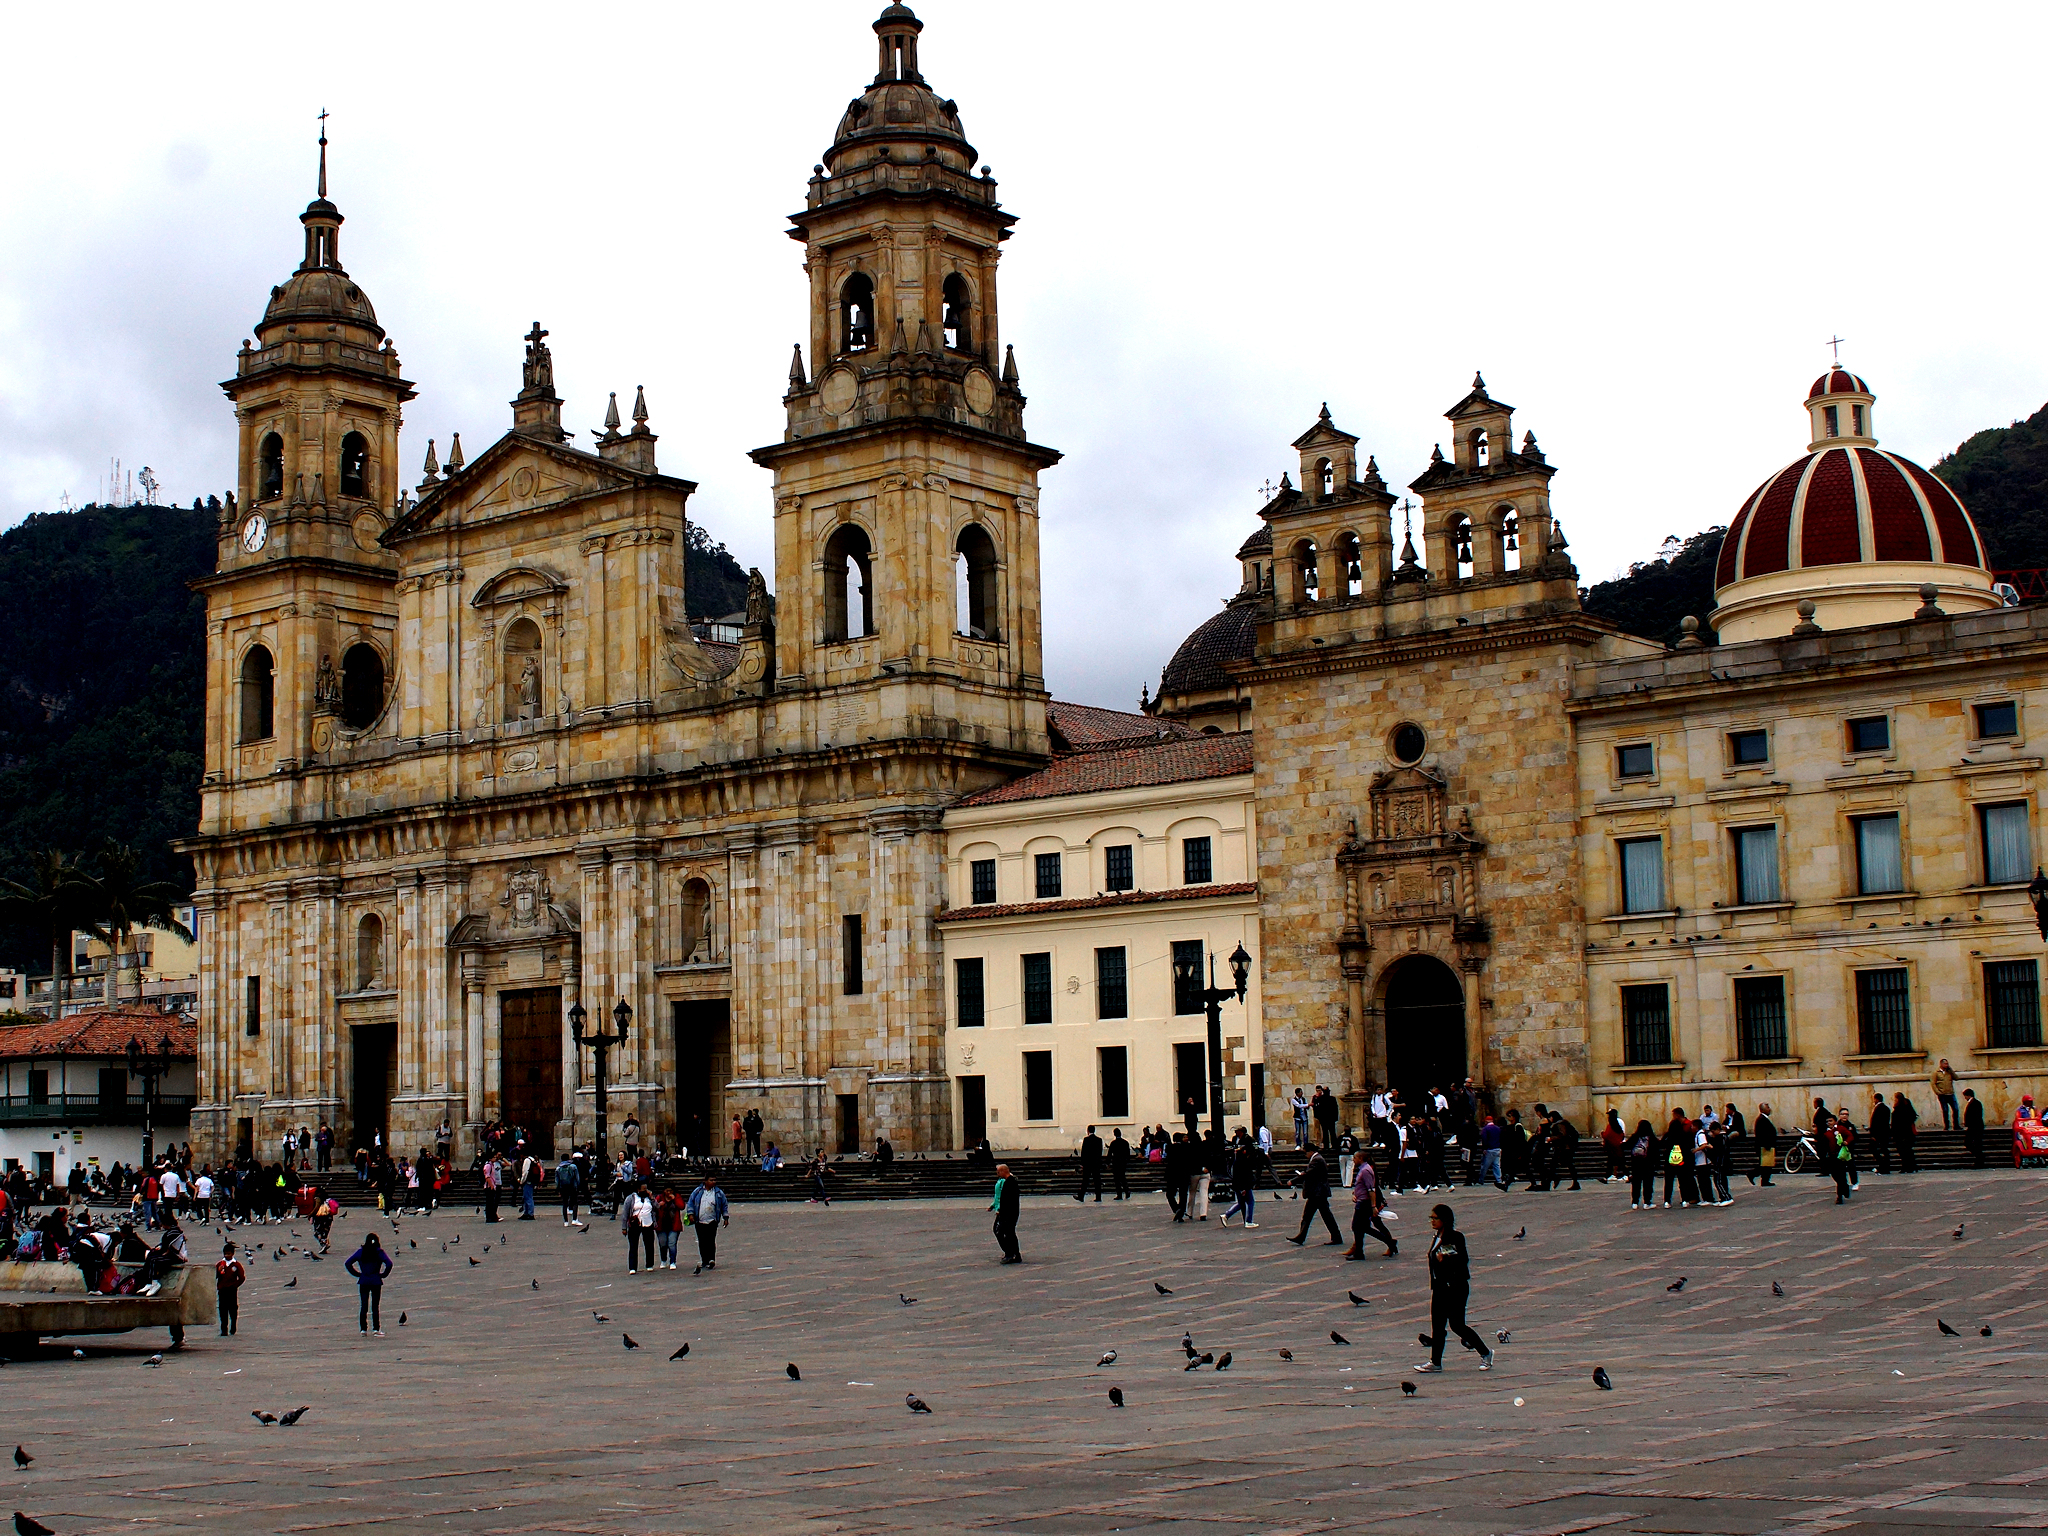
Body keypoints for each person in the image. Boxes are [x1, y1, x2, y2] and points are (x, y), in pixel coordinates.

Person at [1416, 1203, 1493, 1373]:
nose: (1432, 1221)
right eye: (1431, 1218)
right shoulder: (1437, 1237)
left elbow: (1462, 1259)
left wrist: (1445, 1261)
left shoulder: (1455, 1237)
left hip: (1455, 1286)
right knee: (1437, 1325)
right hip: (1439, 1287)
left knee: (1457, 1325)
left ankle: (1485, 1353)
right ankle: (1435, 1362)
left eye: (1435, 1218)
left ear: (1444, 1219)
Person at [1342, 1150, 1396, 1258]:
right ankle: (1359, 1251)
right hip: (1362, 1201)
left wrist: (1373, 1206)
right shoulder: (1363, 1169)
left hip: (1364, 1203)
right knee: (1363, 1228)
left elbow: (1371, 1189)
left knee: (1358, 1227)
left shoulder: (1366, 1170)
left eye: (1355, 1158)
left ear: (1361, 1159)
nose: (1353, 1160)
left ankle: (1388, 1242)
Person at [1287, 1146, 1343, 1246]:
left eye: (1306, 1153)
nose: (1305, 1155)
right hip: (1318, 1193)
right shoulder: (1317, 1159)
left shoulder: (1317, 1160)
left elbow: (1308, 1174)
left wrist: (1293, 1181)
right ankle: (1302, 1236)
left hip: (1317, 1193)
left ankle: (1335, 1237)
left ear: (1311, 1151)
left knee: (1313, 1216)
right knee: (1320, 1216)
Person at [345, 1231, 393, 1336]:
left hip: (364, 1280)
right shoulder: (379, 1252)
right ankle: (376, 1329)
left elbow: (348, 1263)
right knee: (375, 1306)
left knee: (364, 1305)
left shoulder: (361, 1251)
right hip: (376, 1280)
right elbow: (389, 1263)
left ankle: (363, 1329)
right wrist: (383, 1274)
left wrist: (357, 1274)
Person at [686, 1171, 729, 1274]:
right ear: (705, 1181)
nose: (713, 1182)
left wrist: (725, 1217)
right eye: (711, 1180)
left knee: (711, 1239)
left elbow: (724, 1205)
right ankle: (704, 1259)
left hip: (712, 1220)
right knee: (702, 1240)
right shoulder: (697, 1191)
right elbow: (691, 1202)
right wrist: (691, 1214)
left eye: (714, 1180)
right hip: (699, 1220)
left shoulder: (718, 1193)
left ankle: (711, 1259)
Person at [1222, 1135, 1259, 1228]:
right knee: (1250, 1201)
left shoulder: (1237, 1161)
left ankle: (1227, 1215)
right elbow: (1244, 1176)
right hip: (1243, 1185)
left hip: (1238, 1185)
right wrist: (1244, 1188)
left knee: (1241, 1203)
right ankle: (1249, 1221)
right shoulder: (1244, 1162)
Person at [620, 1182, 657, 1273]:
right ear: (638, 1189)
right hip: (635, 1224)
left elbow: (657, 1207)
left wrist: (652, 1198)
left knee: (649, 1245)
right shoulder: (630, 1199)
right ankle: (632, 1267)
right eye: (643, 1189)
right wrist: (624, 1227)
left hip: (648, 1223)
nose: (645, 1191)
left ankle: (649, 1264)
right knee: (633, 1246)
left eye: (646, 1189)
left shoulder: (649, 1198)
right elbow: (625, 1214)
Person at [989, 1162, 1021, 1263]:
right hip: (1009, 1212)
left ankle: (1010, 1253)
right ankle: (1014, 1254)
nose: (997, 1174)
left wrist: (1001, 1211)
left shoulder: (1010, 1183)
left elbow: (1008, 1200)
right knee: (1008, 1233)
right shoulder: (1009, 1181)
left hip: (1008, 1213)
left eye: (998, 1172)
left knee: (1003, 1232)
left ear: (1004, 1171)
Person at [1625, 1119, 1657, 1209]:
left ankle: (1635, 1202)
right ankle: (1647, 1202)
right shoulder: (1651, 1138)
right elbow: (1656, 1150)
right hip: (1648, 1164)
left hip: (1636, 1163)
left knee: (1636, 1183)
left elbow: (1627, 1145)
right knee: (1648, 1183)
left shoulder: (1635, 1137)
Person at [216, 1241, 245, 1336]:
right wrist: (218, 1272)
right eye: (225, 1254)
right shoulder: (220, 1264)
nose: (227, 1255)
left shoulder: (236, 1265)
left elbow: (241, 1277)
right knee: (222, 1309)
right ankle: (223, 1329)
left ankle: (233, 1326)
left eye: (229, 1253)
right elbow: (215, 1276)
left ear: (233, 1254)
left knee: (233, 1309)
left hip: (232, 1291)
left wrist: (235, 1285)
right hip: (222, 1290)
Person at [652, 1186, 683, 1270]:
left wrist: (675, 1199)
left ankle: (672, 1261)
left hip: (674, 1225)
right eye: (667, 1190)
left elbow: (682, 1206)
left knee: (672, 1244)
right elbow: (653, 1208)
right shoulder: (659, 1198)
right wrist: (659, 1205)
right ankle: (663, 1260)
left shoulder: (677, 1197)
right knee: (663, 1243)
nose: (669, 1192)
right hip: (661, 1225)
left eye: (670, 1190)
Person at [1075, 1126, 1104, 1203]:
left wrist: (1083, 1163)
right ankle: (1098, 1197)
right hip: (1096, 1164)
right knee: (1097, 1181)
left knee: (1085, 1181)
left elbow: (1084, 1153)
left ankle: (1081, 1196)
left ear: (1088, 1131)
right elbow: (1100, 1152)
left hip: (1088, 1164)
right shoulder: (1099, 1140)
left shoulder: (1086, 1140)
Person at [1892, 1091, 1919, 1173]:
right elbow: (1913, 1116)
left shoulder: (1898, 1109)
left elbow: (1895, 1123)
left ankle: (1906, 1166)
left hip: (1900, 1133)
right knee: (1908, 1151)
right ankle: (1912, 1166)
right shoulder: (1907, 1107)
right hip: (1908, 1132)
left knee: (1903, 1152)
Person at [1752, 1103, 1778, 1187]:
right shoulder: (1761, 1119)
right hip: (1765, 1145)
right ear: (1762, 1109)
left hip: (1767, 1145)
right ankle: (1758, 1177)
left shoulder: (1764, 1119)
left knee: (1767, 1164)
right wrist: (1766, 1144)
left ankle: (1764, 1179)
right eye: (1767, 1107)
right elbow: (1761, 1134)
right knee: (1765, 1165)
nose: (1769, 1109)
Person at [556, 1151, 583, 1226]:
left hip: (563, 1187)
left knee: (565, 1204)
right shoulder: (573, 1166)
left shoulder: (558, 1168)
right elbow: (577, 1178)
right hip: (572, 1186)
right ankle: (574, 1219)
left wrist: (558, 1189)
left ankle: (566, 1221)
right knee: (574, 1202)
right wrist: (578, 1186)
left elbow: (557, 1180)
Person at [1869, 1092, 1893, 1175]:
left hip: (1879, 1134)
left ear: (1876, 1099)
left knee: (1875, 1149)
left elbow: (1877, 1123)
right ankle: (1885, 1167)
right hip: (1885, 1133)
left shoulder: (1878, 1108)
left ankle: (1883, 1166)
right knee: (1884, 1150)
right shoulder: (1886, 1108)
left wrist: (1873, 1134)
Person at [1933, 1058, 1959, 1131]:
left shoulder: (1949, 1072)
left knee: (1956, 1109)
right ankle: (1946, 1126)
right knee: (1945, 1110)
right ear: (1941, 1064)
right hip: (1942, 1095)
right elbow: (1933, 1084)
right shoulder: (1936, 1073)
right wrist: (1938, 1092)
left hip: (1950, 1093)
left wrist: (1951, 1070)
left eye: (1947, 1064)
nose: (1947, 1065)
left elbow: (1956, 1078)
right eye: (1945, 1064)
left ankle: (1956, 1125)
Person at [1601, 1110, 1627, 1183]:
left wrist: (1603, 1134)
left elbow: (1608, 1135)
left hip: (1614, 1146)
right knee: (1617, 1161)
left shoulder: (1612, 1123)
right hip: (1617, 1144)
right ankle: (1612, 1175)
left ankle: (1622, 1175)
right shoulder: (1617, 1122)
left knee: (1616, 1161)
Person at [1963, 1088, 1986, 1168]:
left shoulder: (1975, 1103)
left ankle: (1980, 1159)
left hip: (1975, 1128)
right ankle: (1979, 1159)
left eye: (1965, 1096)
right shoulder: (1974, 1103)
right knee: (1975, 1144)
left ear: (1968, 1095)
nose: (1965, 1098)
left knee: (1972, 1143)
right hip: (1974, 1127)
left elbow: (1976, 1116)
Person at [1108, 1127, 1132, 1200]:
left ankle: (1119, 1194)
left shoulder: (1113, 1143)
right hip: (1123, 1162)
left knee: (1117, 1179)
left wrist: (1108, 1162)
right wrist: (1127, 1160)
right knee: (1122, 1177)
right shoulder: (1125, 1142)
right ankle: (1127, 1191)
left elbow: (1110, 1154)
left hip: (1116, 1162)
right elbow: (1128, 1153)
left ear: (1114, 1134)